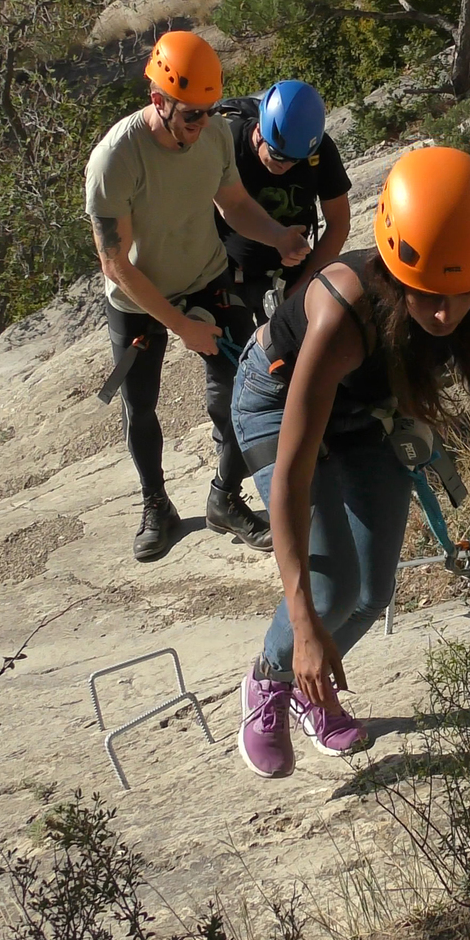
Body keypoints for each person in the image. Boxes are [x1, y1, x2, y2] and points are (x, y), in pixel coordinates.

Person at [228, 146, 470, 778]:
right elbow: (294, 477)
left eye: (457, 292)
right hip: (278, 403)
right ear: (392, 267)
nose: (444, 313)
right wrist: (303, 623)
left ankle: (310, 684)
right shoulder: (342, 310)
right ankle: (269, 682)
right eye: (426, 294)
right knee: (330, 591)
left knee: (373, 590)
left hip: (367, 405)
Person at [87, 30, 312, 562]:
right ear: (158, 101)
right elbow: (116, 265)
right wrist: (181, 326)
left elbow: (233, 205)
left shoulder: (212, 138)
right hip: (138, 299)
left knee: (243, 391)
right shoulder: (114, 160)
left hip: (208, 278)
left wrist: (278, 236)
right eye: (191, 114)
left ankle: (225, 499)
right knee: (138, 407)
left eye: (210, 111)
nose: (203, 124)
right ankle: (155, 505)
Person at [210, 80, 353, 315]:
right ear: (259, 132)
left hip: (292, 274)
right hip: (230, 274)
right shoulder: (229, 144)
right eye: (278, 155)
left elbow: (338, 223)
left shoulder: (320, 150)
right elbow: (225, 207)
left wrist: (301, 290)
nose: (285, 166)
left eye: (295, 161)